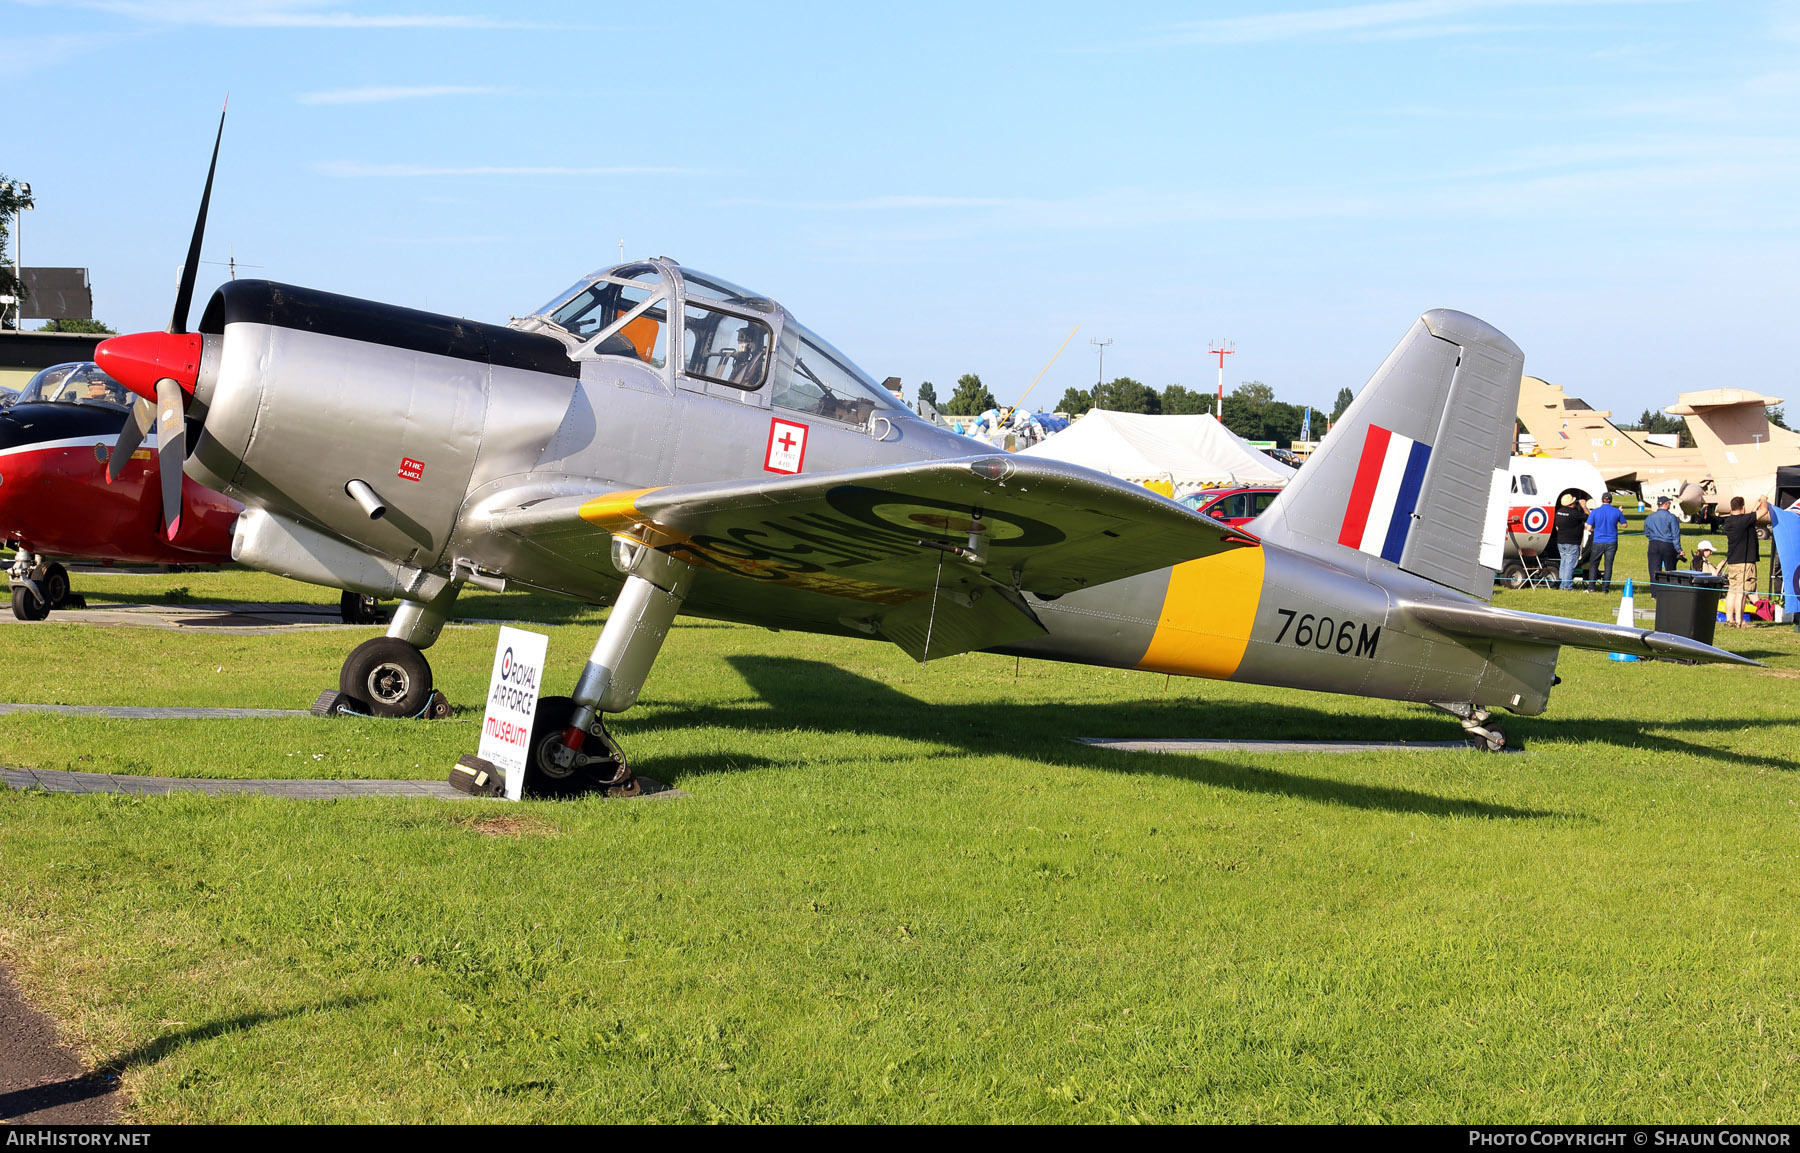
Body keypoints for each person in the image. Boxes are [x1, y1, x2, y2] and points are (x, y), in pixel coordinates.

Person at [1719, 494, 1771, 627]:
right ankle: (1740, 621)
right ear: (1743, 507)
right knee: (1742, 592)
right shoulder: (1743, 520)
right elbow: (1764, 511)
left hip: (1733, 561)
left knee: (1732, 591)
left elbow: (1745, 517)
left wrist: (1755, 504)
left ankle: (1729, 619)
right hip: (1744, 561)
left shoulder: (1730, 521)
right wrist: (1764, 501)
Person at [1586, 492, 1626, 593]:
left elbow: (1588, 527)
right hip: (1611, 541)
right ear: (1611, 500)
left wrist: (1594, 529)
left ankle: (1591, 587)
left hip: (1598, 541)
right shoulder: (1616, 512)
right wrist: (1620, 513)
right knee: (1608, 565)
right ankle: (1605, 589)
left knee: (1594, 564)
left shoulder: (1595, 512)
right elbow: (1625, 525)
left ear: (1601, 500)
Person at [1643, 495, 1683, 582]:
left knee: (1654, 571)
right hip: (1667, 544)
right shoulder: (1671, 517)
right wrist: (1679, 549)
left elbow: (1646, 532)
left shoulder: (1650, 517)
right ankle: (1670, 590)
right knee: (1670, 570)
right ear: (1666, 504)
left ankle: (1654, 593)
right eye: (1669, 503)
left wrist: (1653, 537)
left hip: (1653, 544)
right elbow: (1675, 535)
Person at [1554, 492, 1588, 590]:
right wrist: (1584, 507)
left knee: (1564, 563)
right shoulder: (1575, 514)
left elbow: (1557, 527)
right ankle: (1567, 586)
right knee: (1570, 564)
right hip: (1572, 542)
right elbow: (1589, 518)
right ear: (1572, 503)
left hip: (1561, 541)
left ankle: (1562, 585)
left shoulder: (1559, 512)